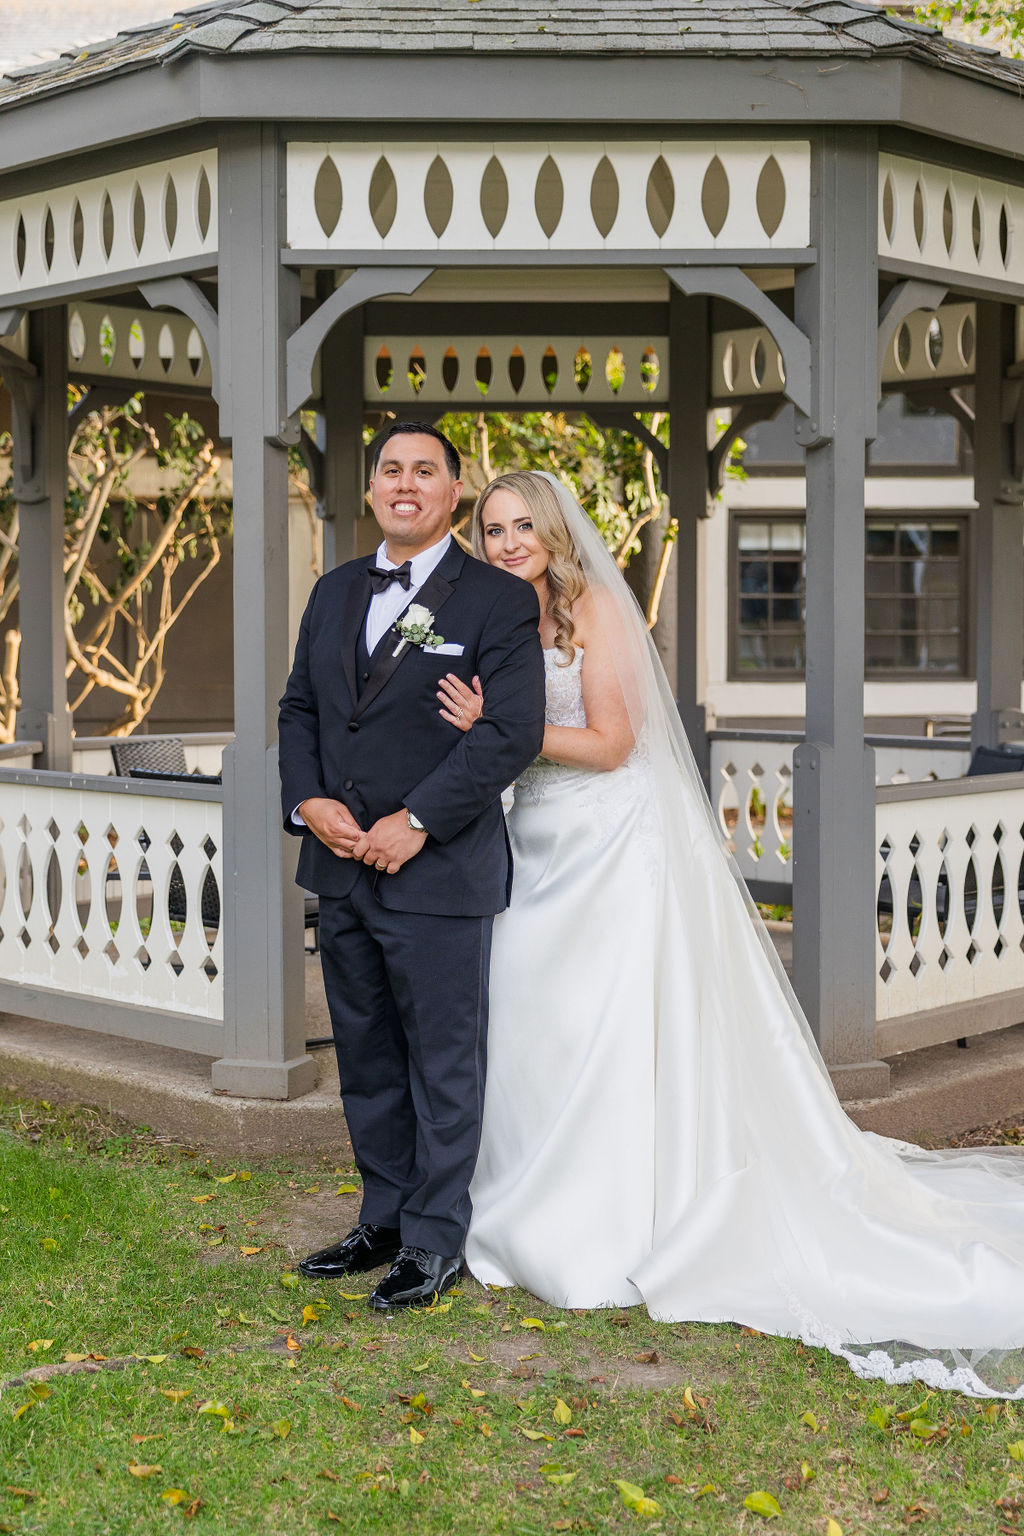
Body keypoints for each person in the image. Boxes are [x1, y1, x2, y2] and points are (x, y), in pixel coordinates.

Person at [437, 469, 1024, 1398]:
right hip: (536, 846)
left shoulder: (592, 614)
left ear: (553, 532)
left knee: (609, 1026)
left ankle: (611, 1221)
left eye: (521, 526)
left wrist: (503, 732)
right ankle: (523, 1200)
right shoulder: (501, 617)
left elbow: (613, 744)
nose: (507, 542)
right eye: (493, 527)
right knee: (534, 1022)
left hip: (606, 846)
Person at [277, 424, 545, 1311]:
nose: (405, 483)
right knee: (366, 1057)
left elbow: (512, 732)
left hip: (438, 875)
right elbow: (303, 709)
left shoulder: (497, 601)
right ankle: (383, 1219)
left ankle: (436, 1242)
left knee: (442, 1065)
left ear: (454, 491)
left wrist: (418, 822)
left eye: (424, 471)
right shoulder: (333, 589)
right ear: (371, 489)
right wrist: (307, 800)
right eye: (390, 469)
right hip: (341, 867)